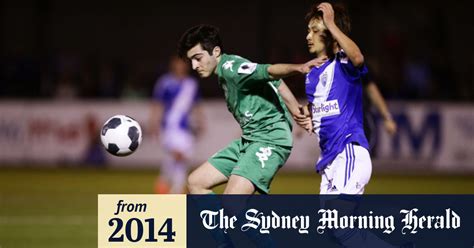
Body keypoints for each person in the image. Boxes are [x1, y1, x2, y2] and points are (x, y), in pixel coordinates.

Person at [296, 3, 413, 247]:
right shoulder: (312, 74)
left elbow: (358, 57)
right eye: (308, 30)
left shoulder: (344, 62)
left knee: (339, 226)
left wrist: (331, 23)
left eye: (314, 30)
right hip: (329, 162)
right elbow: (320, 108)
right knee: (334, 231)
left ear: (330, 32)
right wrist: (307, 116)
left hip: (348, 151)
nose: (308, 36)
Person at [178, 24, 318, 196]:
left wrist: (299, 68)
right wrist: (296, 112)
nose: (194, 65)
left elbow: (269, 71)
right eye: (191, 60)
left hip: (270, 140)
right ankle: (216, 223)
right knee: (196, 182)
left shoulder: (232, 69)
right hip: (249, 140)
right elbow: (275, 82)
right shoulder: (226, 70)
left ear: (215, 52)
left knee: (231, 203)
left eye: (197, 58)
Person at [149, 55, 205, 194]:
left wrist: (201, 121)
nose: (180, 67)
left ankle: (165, 185)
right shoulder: (165, 82)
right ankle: (175, 190)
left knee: (179, 161)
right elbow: (158, 104)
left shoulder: (191, 84)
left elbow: (196, 105)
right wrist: (154, 122)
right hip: (169, 127)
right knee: (178, 156)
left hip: (185, 129)